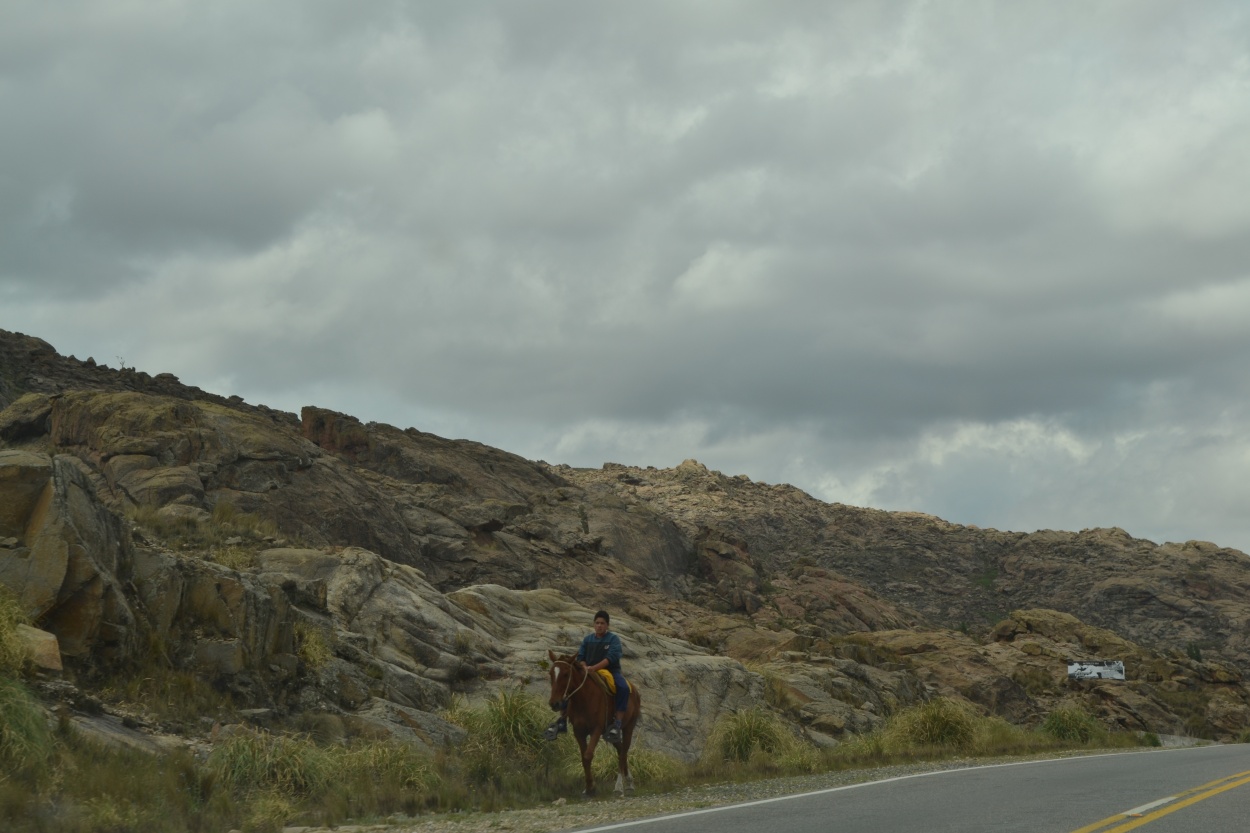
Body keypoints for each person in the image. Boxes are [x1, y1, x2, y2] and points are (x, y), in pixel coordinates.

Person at [544, 610, 629, 743]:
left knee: (623, 687)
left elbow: (611, 658)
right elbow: (581, 656)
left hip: (610, 671)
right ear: (594, 624)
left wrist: (593, 668)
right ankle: (562, 720)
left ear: (607, 625)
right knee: (571, 685)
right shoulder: (587, 639)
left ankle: (617, 724)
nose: (599, 625)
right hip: (588, 670)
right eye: (597, 623)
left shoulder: (613, 639)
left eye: (602, 623)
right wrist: (584, 666)